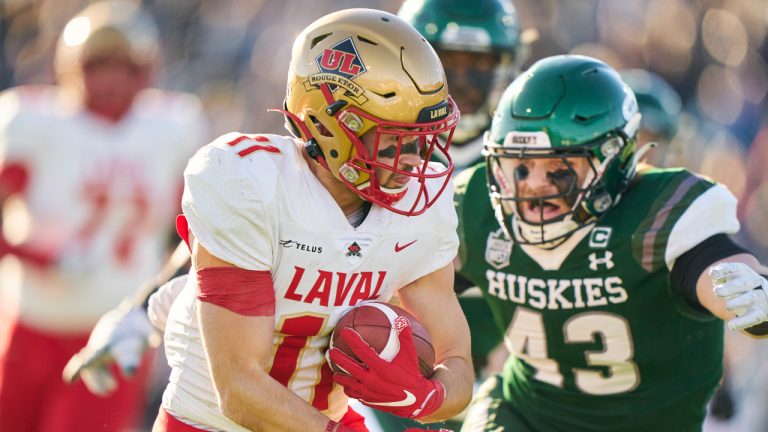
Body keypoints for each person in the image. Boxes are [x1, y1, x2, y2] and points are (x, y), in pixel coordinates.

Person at [73, 8, 473, 432]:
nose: (415, 161)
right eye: (396, 139)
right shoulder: (250, 182)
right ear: (331, 123)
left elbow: (458, 361)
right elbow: (238, 390)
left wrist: (432, 398)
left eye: (423, 140)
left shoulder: (422, 204)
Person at [453, 54, 768, 431]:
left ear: (611, 161)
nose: (535, 185)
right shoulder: (477, 206)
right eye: (521, 166)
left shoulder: (655, 214)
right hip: (525, 415)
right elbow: (414, 282)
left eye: (558, 168)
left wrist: (749, 294)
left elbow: (718, 269)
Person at [0, 1, 208, 431]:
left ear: (146, 72)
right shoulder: (36, 122)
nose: (111, 80)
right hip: (32, 323)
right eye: (98, 66)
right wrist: (38, 258)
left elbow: (195, 229)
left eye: (125, 68)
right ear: (70, 69)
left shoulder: (171, 128)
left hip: (116, 331)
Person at [398, 0, 533, 172]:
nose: (462, 81)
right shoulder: (380, 139)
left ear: (507, 64)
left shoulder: (524, 141)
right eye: (444, 61)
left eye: (480, 62)